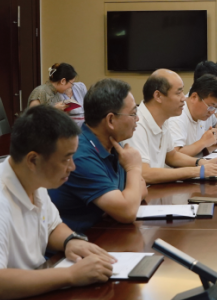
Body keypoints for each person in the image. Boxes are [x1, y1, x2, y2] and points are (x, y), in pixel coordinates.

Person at [0, 105, 116, 300]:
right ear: (33, 160)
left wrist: (70, 241)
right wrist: (70, 275)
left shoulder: (32, 179)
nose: (72, 166)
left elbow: (51, 226)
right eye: (66, 158)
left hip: (26, 295)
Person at [48, 78, 148, 233]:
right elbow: (128, 212)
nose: (137, 119)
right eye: (133, 113)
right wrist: (133, 168)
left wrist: (122, 201)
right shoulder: (80, 156)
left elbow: (141, 189)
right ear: (110, 120)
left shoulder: (113, 143)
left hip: (100, 233)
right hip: (71, 243)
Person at [128, 69, 217, 184]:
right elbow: (144, 173)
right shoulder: (136, 125)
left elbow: (171, 156)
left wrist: (202, 163)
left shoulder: (163, 119)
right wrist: (198, 171)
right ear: (158, 96)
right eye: (178, 93)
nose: (183, 98)